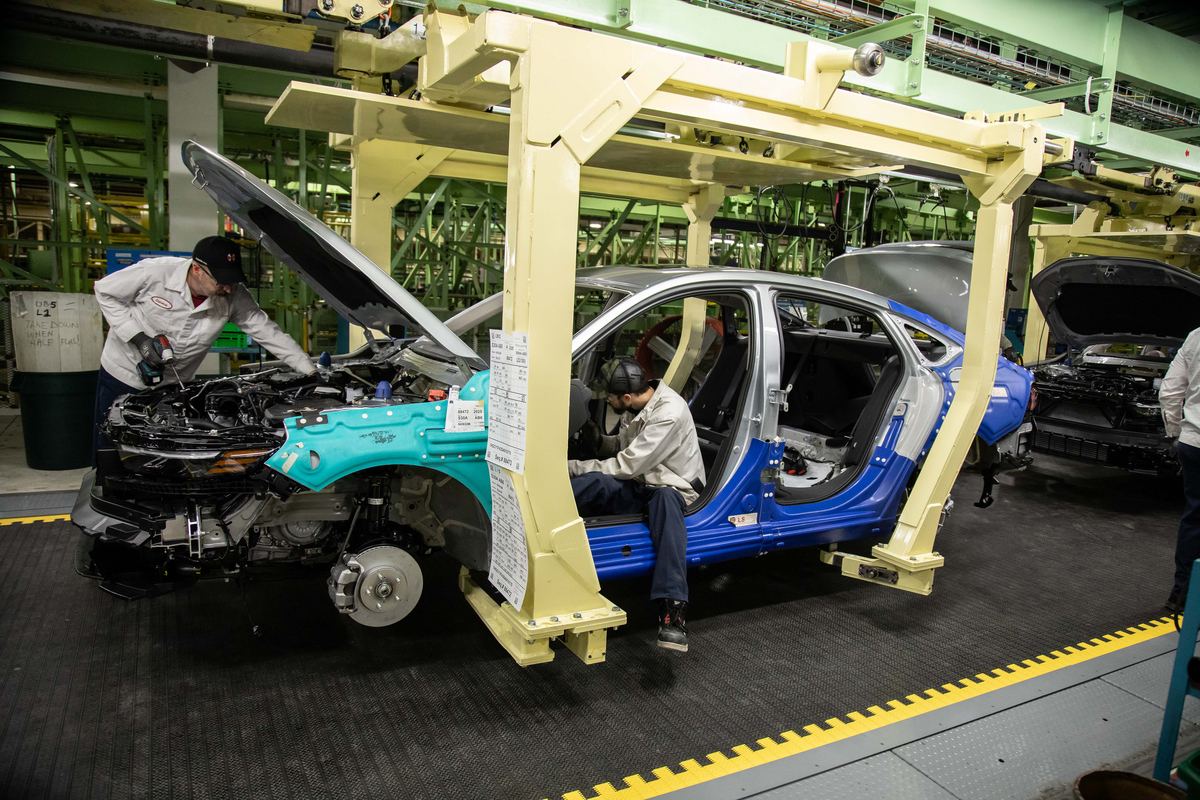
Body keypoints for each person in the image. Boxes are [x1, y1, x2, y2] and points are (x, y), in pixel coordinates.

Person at [92, 235, 314, 462]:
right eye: (220, 281)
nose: (227, 288)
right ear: (197, 269)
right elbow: (105, 291)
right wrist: (138, 338)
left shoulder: (235, 294)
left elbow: (269, 332)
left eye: (232, 280)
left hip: (175, 384)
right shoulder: (156, 273)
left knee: (167, 456)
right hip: (123, 375)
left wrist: (309, 370)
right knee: (112, 450)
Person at [567, 357, 705, 652]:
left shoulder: (669, 413)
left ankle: (673, 610)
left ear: (626, 397)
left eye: (610, 397)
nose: (606, 400)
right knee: (595, 484)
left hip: (672, 487)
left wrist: (570, 466)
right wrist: (598, 439)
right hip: (644, 481)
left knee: (666, 502)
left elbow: (627, 464)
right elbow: (623, 446)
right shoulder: (640, 405)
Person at [1161, 328, 1200, 612]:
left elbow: (1171, 390)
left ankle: (1181, 595)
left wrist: (1175, 432)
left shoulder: (1196, 336)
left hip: (1193, 442)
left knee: (1194, 519)